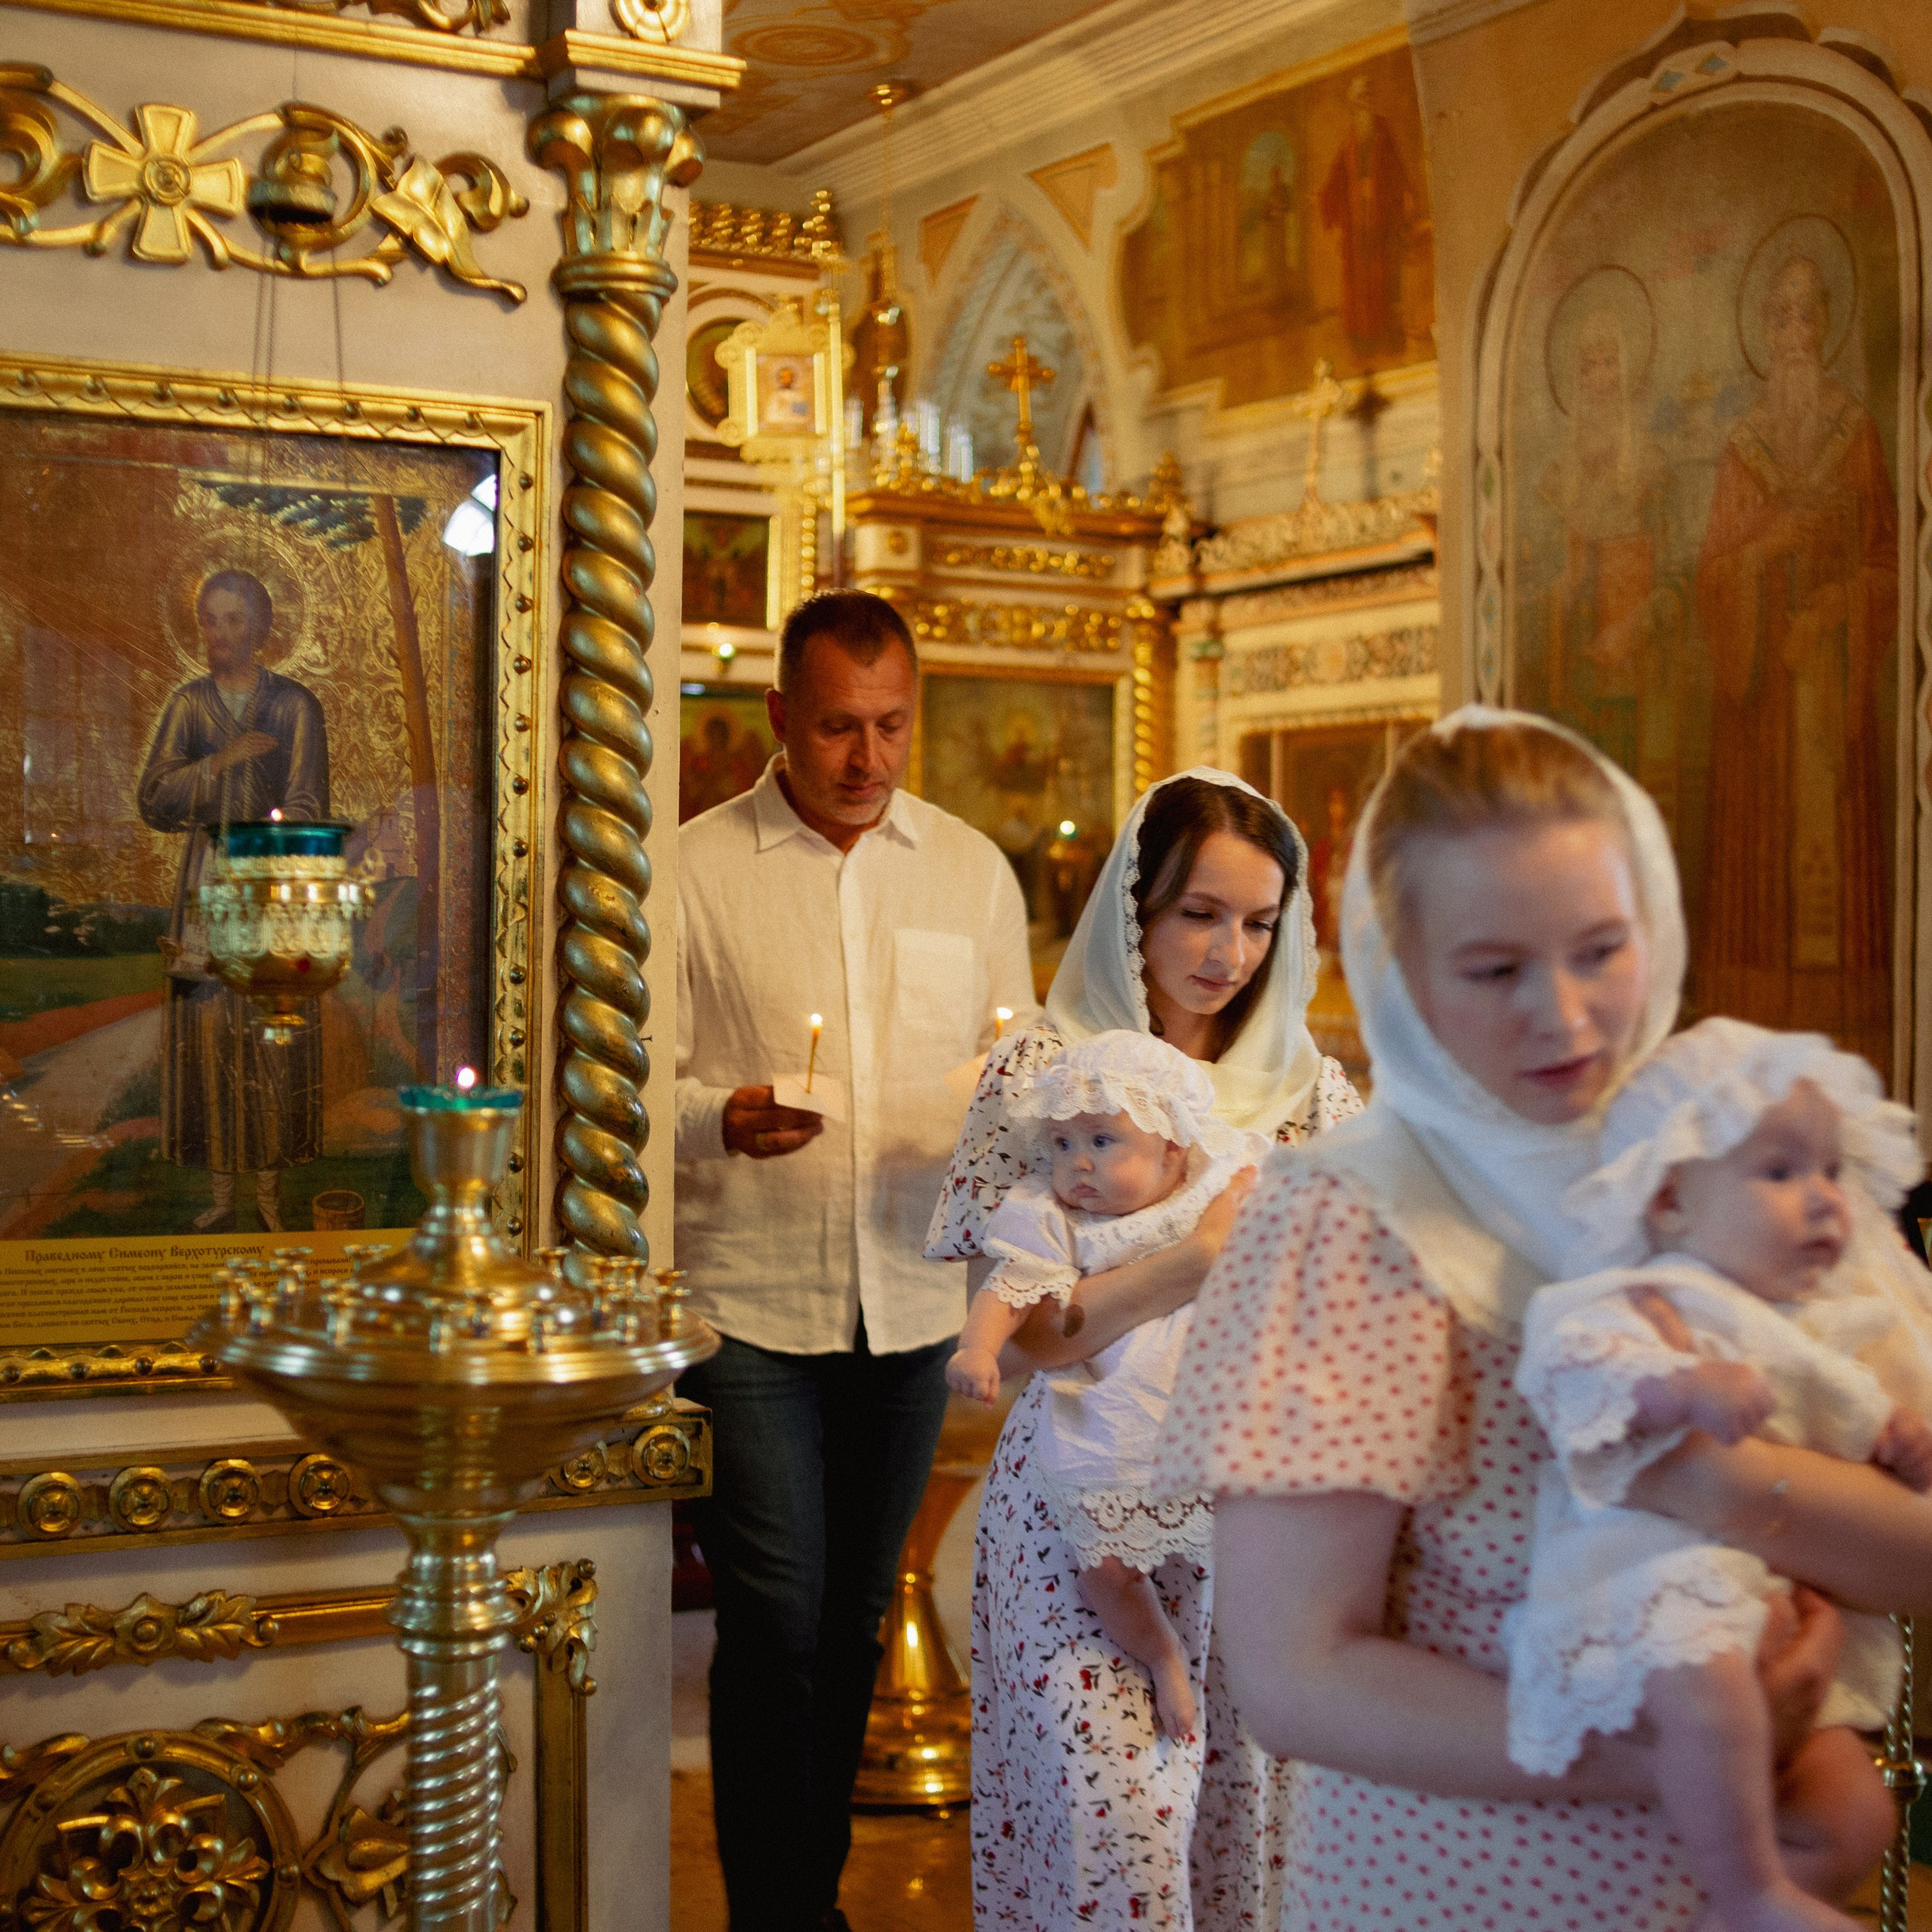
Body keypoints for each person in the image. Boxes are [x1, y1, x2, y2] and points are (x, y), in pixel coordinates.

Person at [1154, 708, 1932, 1932]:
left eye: (1601, 951)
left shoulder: (1745, 1155)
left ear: (1656, 926)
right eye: (1497, 970)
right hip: (1461, 1888)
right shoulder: (1352, 1222)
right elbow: (1299, 1677)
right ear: (1402, 971)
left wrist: (1727, 1485)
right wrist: (1679, 1754)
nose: (1567, 1020)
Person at [928, 768, 1361, 1931]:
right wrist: (1188, 1266)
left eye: (1259, 921)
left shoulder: (1311, 1100)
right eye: (1199, 914)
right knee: (1115, 1835)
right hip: (1079, 1520)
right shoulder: (1048, 1076)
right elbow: (1020, 1336)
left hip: (1250, 1522)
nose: (1229, 951)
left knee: (1237, 1837)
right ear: (1137, 907)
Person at [673, 589, 1035, 1932]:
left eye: (891, 727)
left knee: (853, 1632)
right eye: (837, 728)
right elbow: (609, 1088)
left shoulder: (969, 872)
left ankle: (806, 1900)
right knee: (776, 1628)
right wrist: (712, 1115)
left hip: (914, 1308)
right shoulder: (694, 871)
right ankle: (778, 1912)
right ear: (779, 716)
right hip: (749, 1314)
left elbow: (1015, 1071)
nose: (868, 760)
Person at [1510, 1018, 1932, 1932]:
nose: (1823, 1199)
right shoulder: (1651, 1297)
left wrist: (1898, 1438)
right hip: (1660, 1584)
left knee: (1853, 1816)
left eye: (1829, 1171)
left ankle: (1735, 1914)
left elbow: (1851, 1410)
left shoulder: (1830, 1317)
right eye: (1779, 1173)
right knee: (1708, 1687)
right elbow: (1565, 1365)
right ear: (1668, 1200)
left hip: (1786, 1616)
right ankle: (1747, 1887)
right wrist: (1677, 1385)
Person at [945, 1029, 1272, 1741]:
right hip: (1107, 1411)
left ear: (1173, 1148)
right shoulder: (1051, 1216)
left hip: (1212, 1404)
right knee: (1106, 1564)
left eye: (1101, 1142)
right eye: (1062, 1145)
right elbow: (1010, 1289)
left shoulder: (1216, 1185)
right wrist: (978, 1348)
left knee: (1258, 1545)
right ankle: (1160, 1657)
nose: (1077, 1165)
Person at [1695, 251, 1897, 1068]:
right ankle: (1752, 1041)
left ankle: (1842, 1047)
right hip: (1761, 700)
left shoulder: (1856, 432)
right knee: (1761, 853)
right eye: (1777, 316)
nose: (1791, 332)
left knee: (1828, 863)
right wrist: (1761, 550)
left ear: (1825, 324)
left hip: (1832, 679)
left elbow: (1890, 559)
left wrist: (1833, 613)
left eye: (1804, 313)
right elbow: (1710, 572)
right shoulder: (1742, 448)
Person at [137, 568, 329, 1234]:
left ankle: (271, 1198)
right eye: (209, 621)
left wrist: (265, 850)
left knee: (270, 1037)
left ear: (263, 628)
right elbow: (155, 800)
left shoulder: (296, 706)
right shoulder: (189, 706)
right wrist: (219, 764)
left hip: (272, 892)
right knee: (213, 1033)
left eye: (233, 621)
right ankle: (222, 1193)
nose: (219, 635)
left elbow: (308, 802)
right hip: (204, 887)